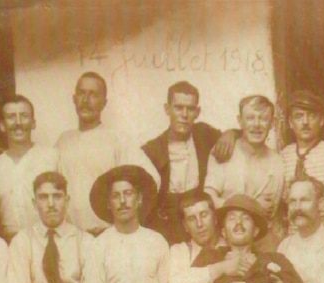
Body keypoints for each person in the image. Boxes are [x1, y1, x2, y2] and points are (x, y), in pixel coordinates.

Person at [56, 72, 159, 235]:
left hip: (108, 236)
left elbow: (150, 179)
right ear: (74, 99)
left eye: (93, 95)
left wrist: (123, 224)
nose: (85, 100)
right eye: (81, 93)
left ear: (104, 103)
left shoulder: (117, 139)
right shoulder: (63, 141)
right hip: (72, 237)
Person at [81, 165, 171, 283]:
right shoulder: (98, 245)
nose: (122, 201)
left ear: (139, 199)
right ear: (108, 204)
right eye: (115, 196)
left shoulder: (157, 241)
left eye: (128, 193)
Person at [142, 81, 235, 245]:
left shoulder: (204, 135)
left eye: (190, 109)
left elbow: (242, 135)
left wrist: (231, 134)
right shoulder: (152, 150)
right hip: (166, 227)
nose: (184, 115)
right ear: (167, 109)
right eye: (178, 107)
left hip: (200, 223)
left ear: (197, 112)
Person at [8, 171, 92, 283]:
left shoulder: (85, 241)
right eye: (43, 197)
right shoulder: (22, 241)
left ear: (67, 201)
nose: (51, 204)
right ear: (34, 203)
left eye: (57, 196)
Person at [204, 95, 285, 251]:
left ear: (272, 123)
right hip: (224, 242)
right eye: (250, 118)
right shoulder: (223, 152)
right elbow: (209, 199)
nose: (256, 125)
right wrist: (252, 207)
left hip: (262, 243)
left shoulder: (278, 163)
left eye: (263, 119)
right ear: (240, 121)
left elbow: (272, 212)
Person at [0, 94, 58, 241]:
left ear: (33, 123)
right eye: (11, 117)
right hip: (10, 244)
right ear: (2, 125)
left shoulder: (52, 157)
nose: (18, 123)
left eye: (24, 116)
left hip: (48, 241)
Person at [279, 90, 324, 227]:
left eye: (311, 116)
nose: (305, 122)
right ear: (290, 122)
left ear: (321, 120)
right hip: (294, 234)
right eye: (299, 117)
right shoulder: (283, 155)